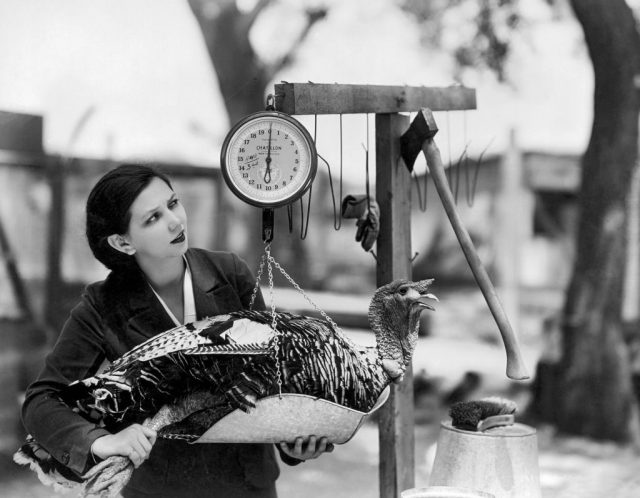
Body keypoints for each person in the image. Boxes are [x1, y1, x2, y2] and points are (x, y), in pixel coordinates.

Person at [21, 164, 333, 498]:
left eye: (172, 203)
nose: (175, 221)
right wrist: (102, 441)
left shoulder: (231, 274)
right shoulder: (103, 304)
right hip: (160, 487)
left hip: (248, 483)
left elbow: (270, 376)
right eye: (152, 218)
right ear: (122, 241)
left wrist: (292, 442)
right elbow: (41, 400)